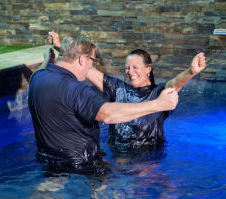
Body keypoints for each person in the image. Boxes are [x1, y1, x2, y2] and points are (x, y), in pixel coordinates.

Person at [28, 34, 178, 174]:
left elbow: (40, 71)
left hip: (47, 159)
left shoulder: (37, 78)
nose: (90, 68)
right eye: (92, 61)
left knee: (49, 190)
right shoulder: (77, 90)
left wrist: (48, 59)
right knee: (110, 189)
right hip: (82, 164)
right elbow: (107, 114)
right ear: (81, 60)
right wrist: (158, 104)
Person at [48, 32, 206, 154]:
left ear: (148, 69)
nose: (130, 72)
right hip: (118, 159)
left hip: (148, 161)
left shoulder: (158, 94)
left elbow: (175, 83)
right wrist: (61, 47)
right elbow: (87, 67)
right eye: (127, 68)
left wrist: (191, 71)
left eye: (135, 67)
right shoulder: (117, 88)